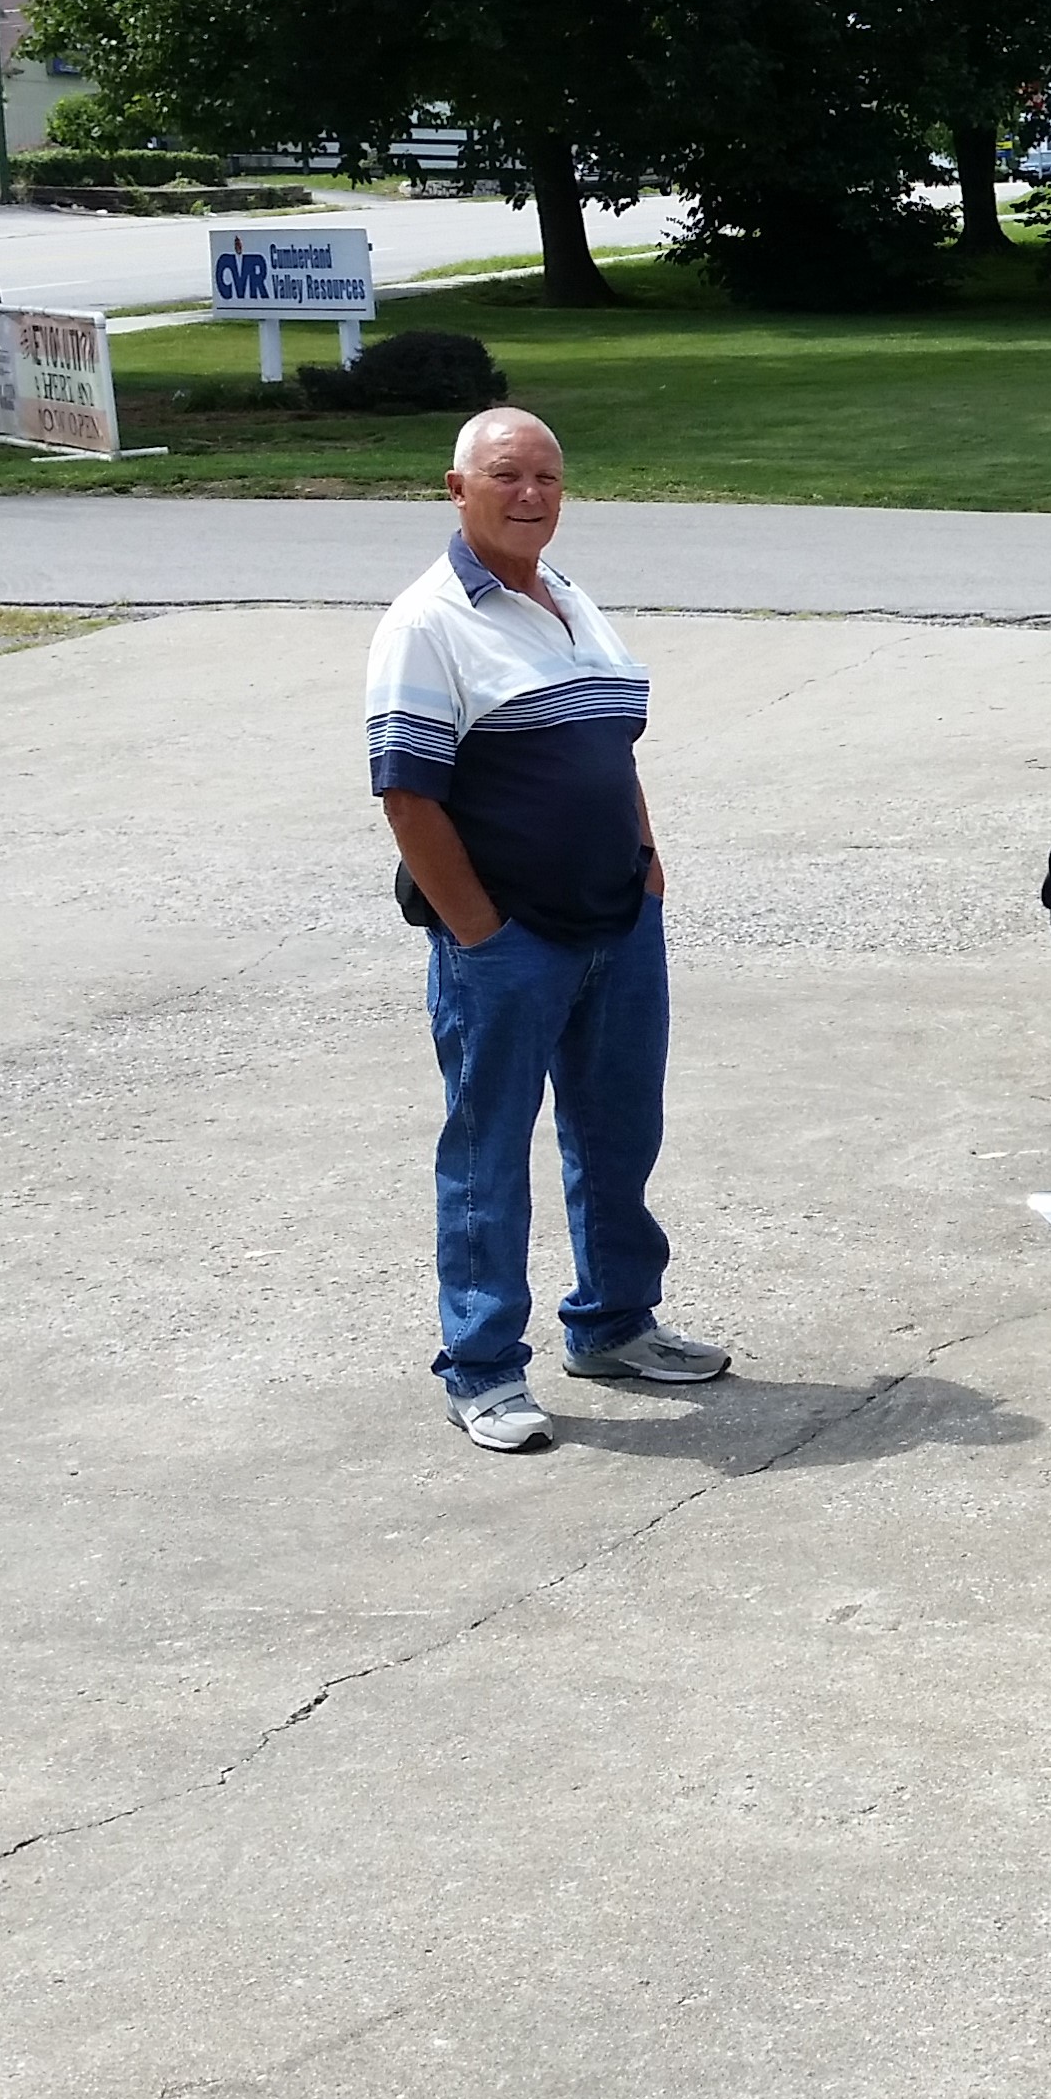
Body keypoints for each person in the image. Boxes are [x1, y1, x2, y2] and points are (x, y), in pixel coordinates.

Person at [365, 407, 729, 1449]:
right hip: (509, 942)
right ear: (458, 489)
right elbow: (407, 795)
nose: (530, 495)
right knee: (488, 1154)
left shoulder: (567, 596)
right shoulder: (427, 623)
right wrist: (480, 932)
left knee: (619, 1134)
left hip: (617, 919)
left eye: (548, 478)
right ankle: (482, 1367)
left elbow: (610, 744)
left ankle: (615, 1323)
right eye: (506, 476)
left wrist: (647, 860)